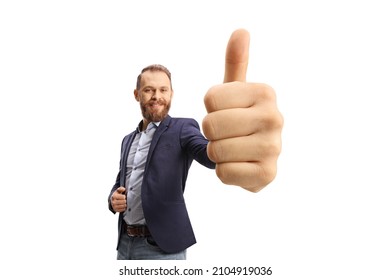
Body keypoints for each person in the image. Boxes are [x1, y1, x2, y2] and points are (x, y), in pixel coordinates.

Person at [108, 29, 283, 260]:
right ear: (136, 94)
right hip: (125, 245)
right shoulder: (127, 139)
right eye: (148, 90)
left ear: (171, 94)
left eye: (163, 90)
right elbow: (121, 178)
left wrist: (233, 143)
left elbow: (210, 155)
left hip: (162, 249)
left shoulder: (182, 129)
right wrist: (113, 199)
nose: (156, 96)